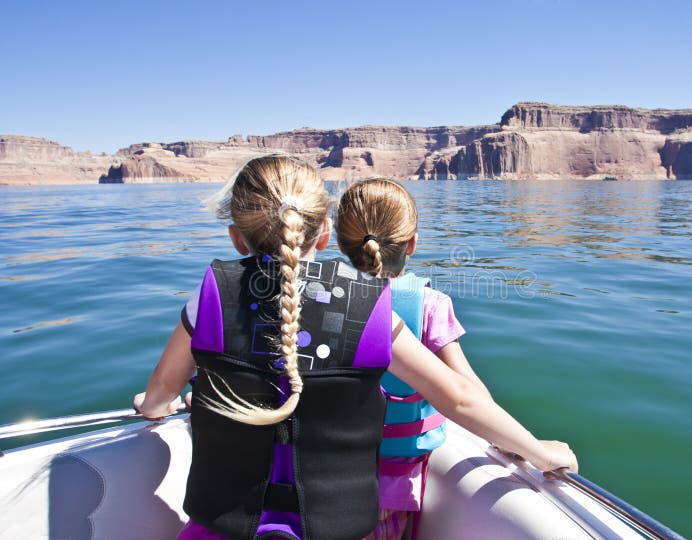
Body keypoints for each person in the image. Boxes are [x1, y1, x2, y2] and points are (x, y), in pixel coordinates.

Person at [134, 155, 578, 540]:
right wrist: (539, 451)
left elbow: (160, 391)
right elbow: (458, 398)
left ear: (236, 237)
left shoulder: (211, 294)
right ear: (324, 233)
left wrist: (154, 404)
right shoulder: (368, 307)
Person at [336, 178, 490, 540]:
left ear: (342, 244)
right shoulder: (432, 306)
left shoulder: (323, 298)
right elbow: (467, 392)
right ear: (412, 243)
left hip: (326, 468)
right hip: (393, 482)